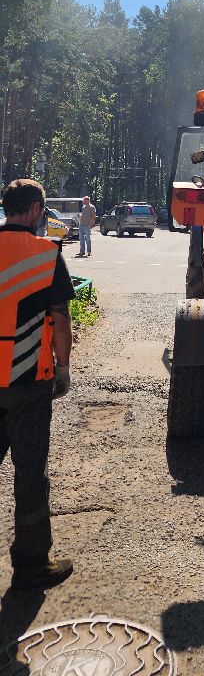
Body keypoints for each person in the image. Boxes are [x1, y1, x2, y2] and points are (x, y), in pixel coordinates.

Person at [0, 178, 75, 591]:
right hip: (28, 380)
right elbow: (60, 320)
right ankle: (31, 566)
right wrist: (63, 367)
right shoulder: (46, 254)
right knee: (30, 474)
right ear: (33, 210)